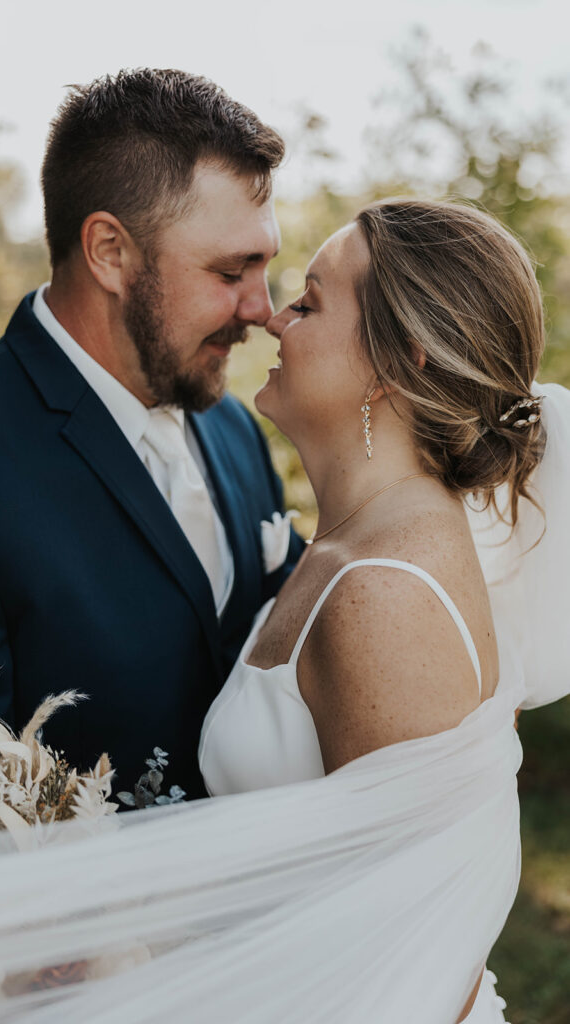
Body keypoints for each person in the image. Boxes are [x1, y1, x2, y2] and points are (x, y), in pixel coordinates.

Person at [0, 69, 303, 800]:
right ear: (109, 250)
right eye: (231, 269)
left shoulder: (236, 426)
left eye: (263, 264)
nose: (261, 309)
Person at [199, 197, 562, 1021]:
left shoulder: (383, 594)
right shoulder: (351, 549)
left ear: (402, 361)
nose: (272, 318)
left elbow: (401, 970)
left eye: (310, 300)